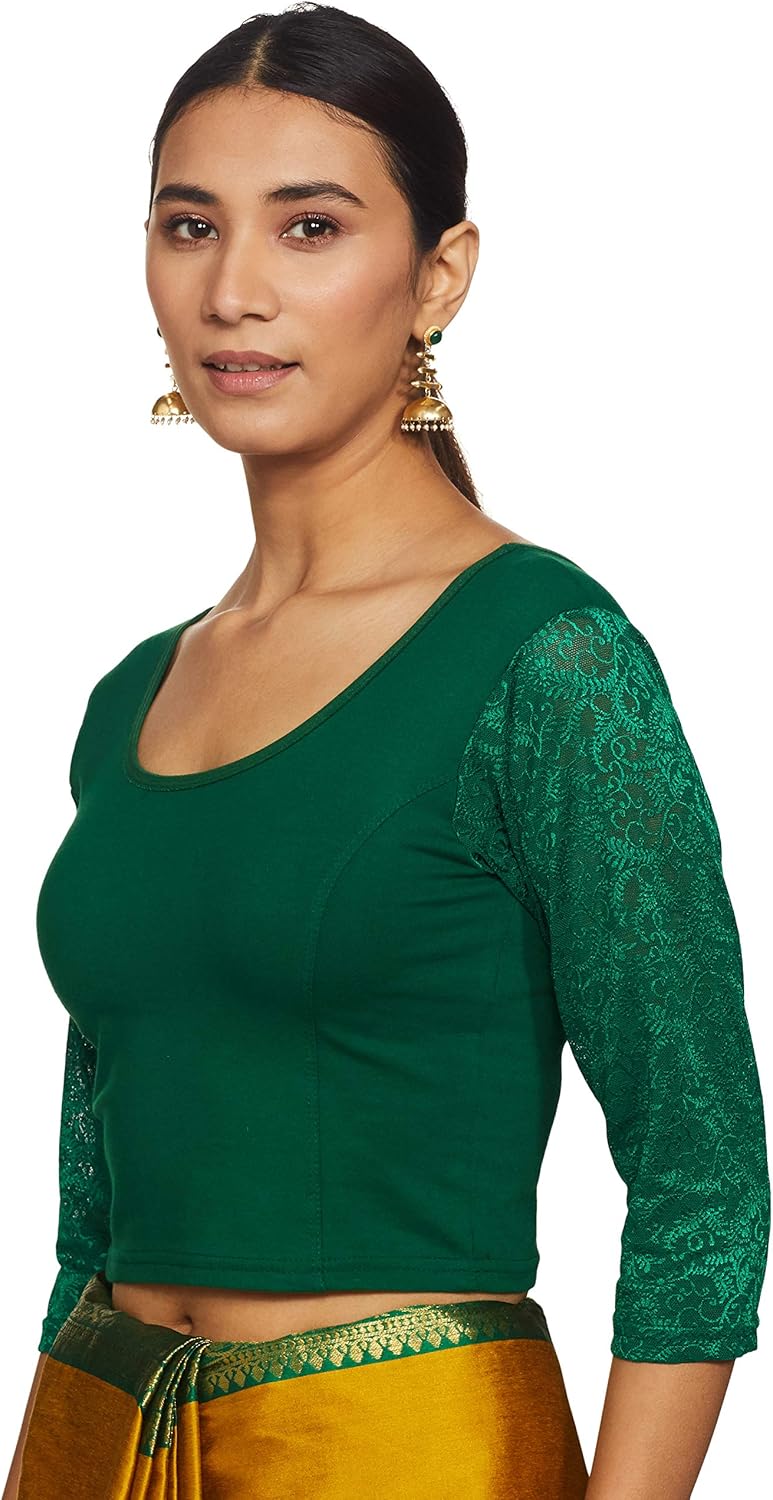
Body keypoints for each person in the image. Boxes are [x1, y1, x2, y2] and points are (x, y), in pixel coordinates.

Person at [6, 5, 770, 1497]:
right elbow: (93, 1193)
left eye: (310, 227)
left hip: (401, 1452)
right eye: (189, 225)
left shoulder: (548, 660)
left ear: (438, 276)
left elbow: (701, 1173)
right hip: (93, 1439)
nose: (233, 290)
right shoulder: (134, 696)